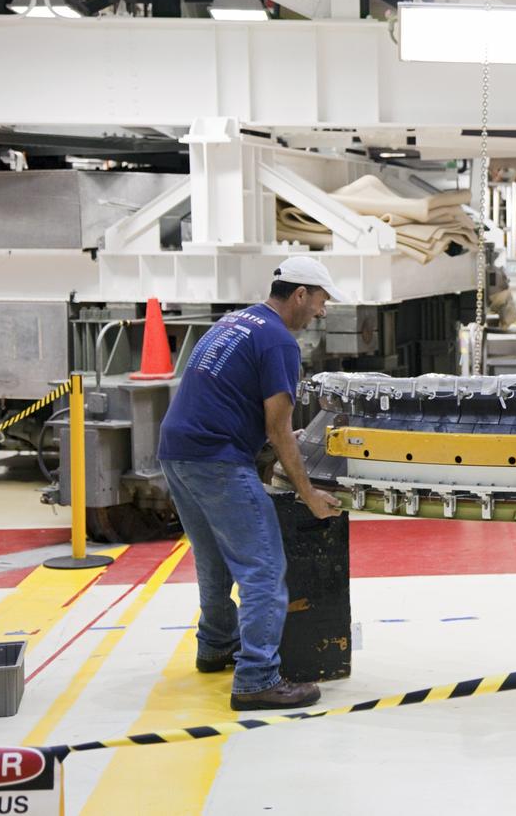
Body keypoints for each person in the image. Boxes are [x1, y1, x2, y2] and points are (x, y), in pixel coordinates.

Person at [159, 255, 343, 711]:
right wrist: (309, 494)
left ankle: (216, 645)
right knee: (262, 568)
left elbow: (233, 401)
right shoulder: (279, 341)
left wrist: (276, 438)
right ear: (300, 294)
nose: (321, 312)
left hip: (177, 451)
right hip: (216, 460)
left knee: (215, 559)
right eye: (320, 301)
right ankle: (258, 677)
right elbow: (279, 428)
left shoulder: (237, 321)